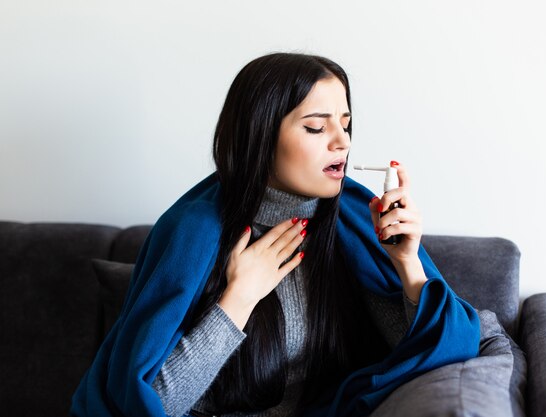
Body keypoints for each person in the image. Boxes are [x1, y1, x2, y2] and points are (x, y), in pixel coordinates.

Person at [70, 52, 482, 417]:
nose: (343, 142)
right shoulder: (193, 231)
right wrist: (238, 299)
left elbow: (425, 349)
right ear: (261, 136)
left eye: (346, 123)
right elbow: (150, 402)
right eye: (317, 128)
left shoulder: (352, 221)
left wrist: (406, 261)